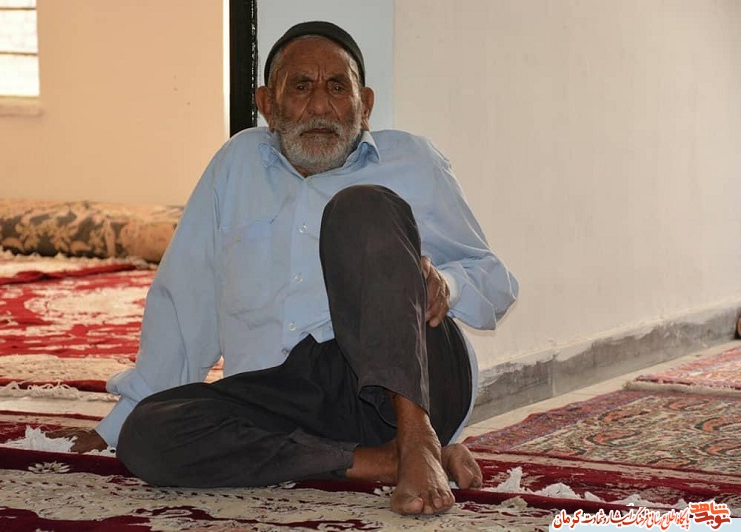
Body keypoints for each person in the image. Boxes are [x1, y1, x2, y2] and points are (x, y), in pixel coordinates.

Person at [62, 21, 518, 515]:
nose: (320, 106)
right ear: (267, 105)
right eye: (301, 87)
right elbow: (185, 299)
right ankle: (377, 461)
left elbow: (494, 280)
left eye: (337, 87)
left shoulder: (412, 160)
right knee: (148, 436)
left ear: (364, 105)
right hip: (286, 397)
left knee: (361, 207)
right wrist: (125, 417)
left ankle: (418, 440)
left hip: (409, 383)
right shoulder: (237, 164)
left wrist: (447, 285)